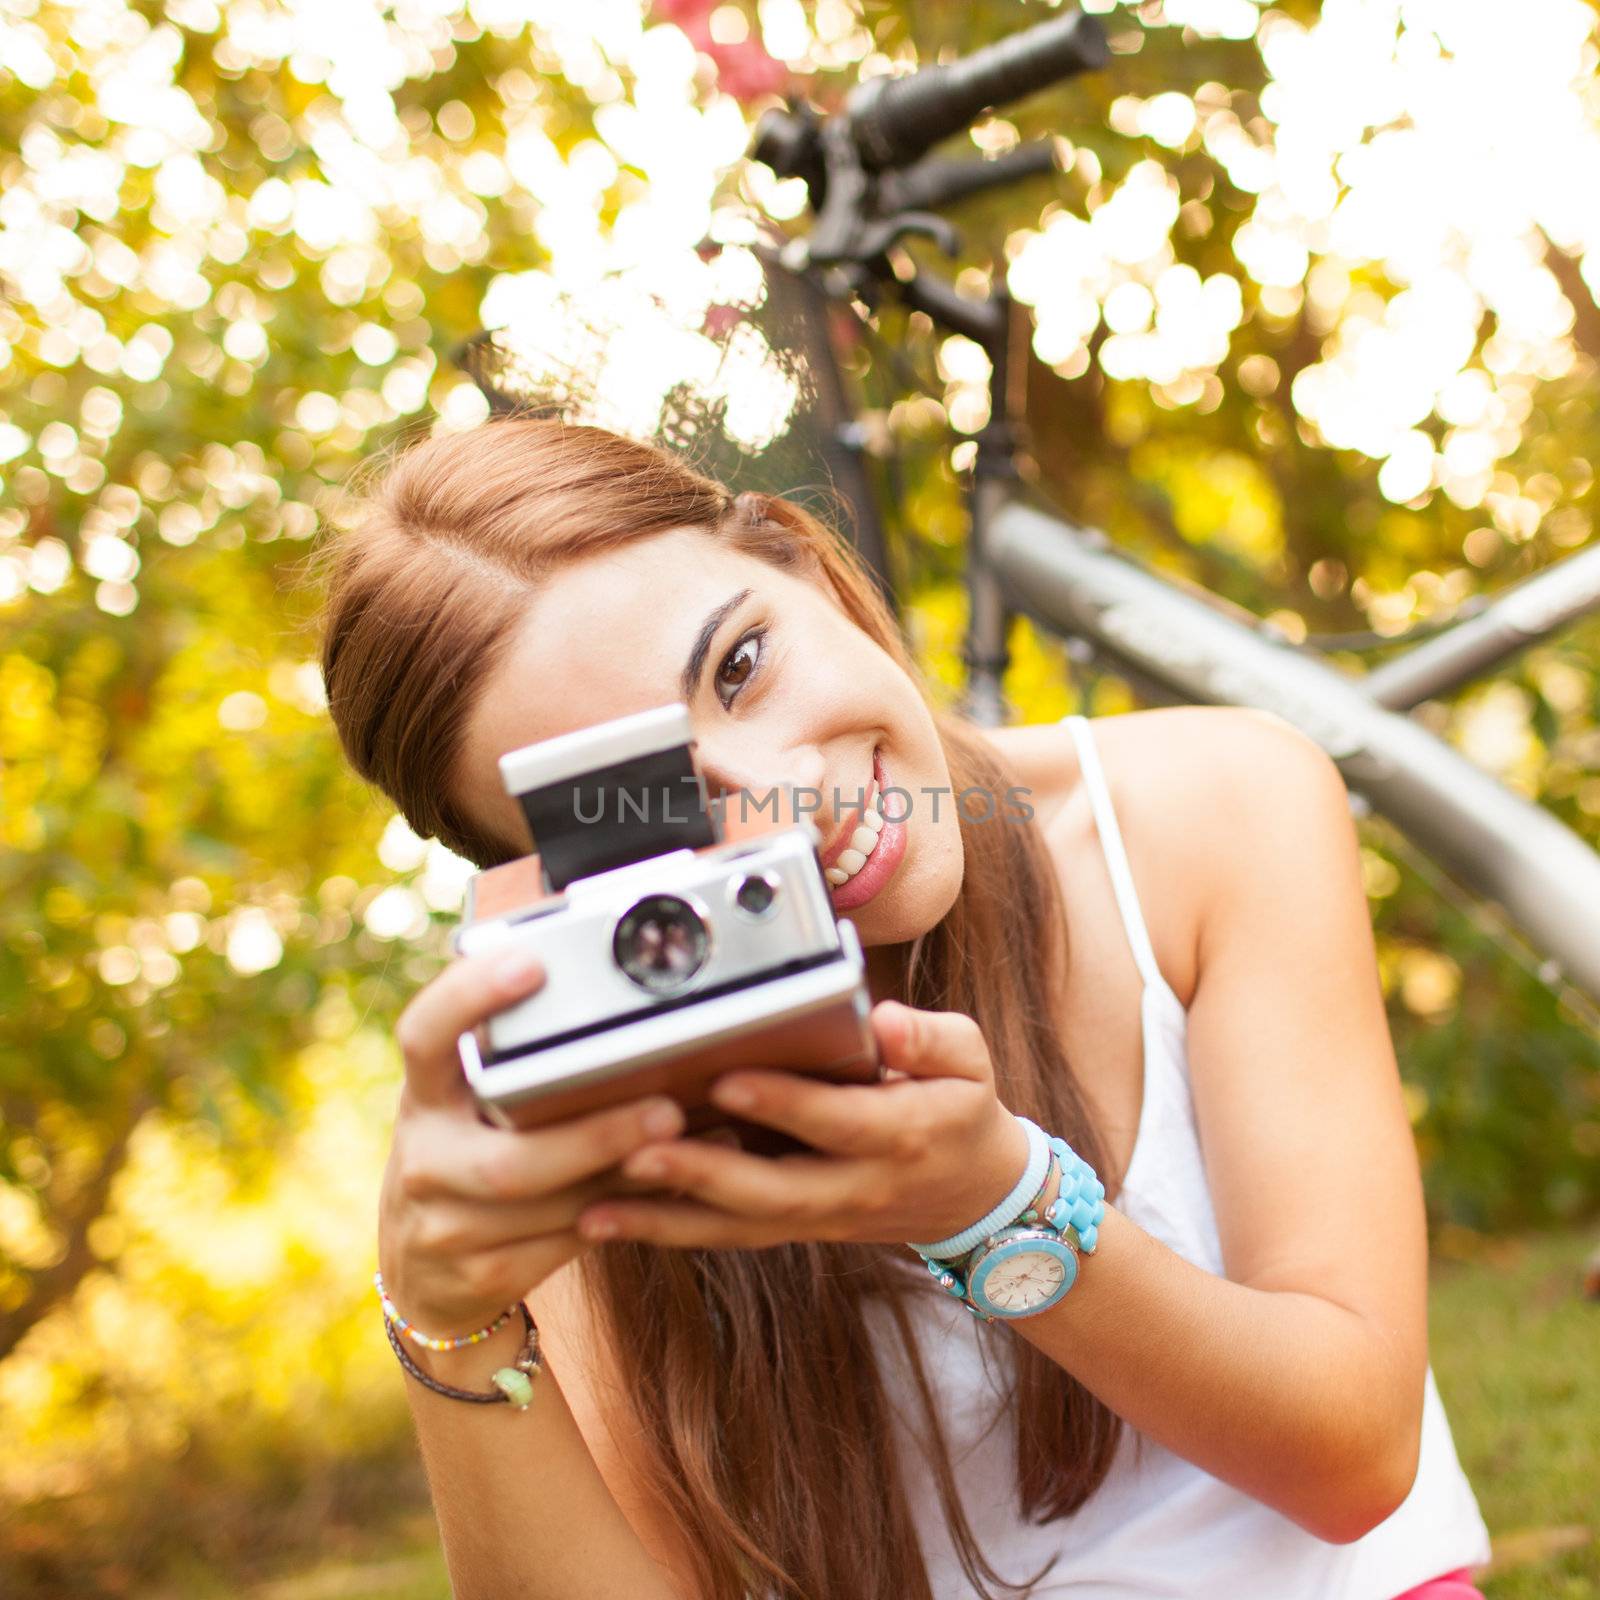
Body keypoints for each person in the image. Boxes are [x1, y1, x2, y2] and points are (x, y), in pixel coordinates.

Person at [318, 415, 1492, 1600]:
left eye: (739, 667)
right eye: (638, 806)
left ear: (803, 563)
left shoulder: (1207, 804)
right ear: (544, 892)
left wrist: (991, 1202)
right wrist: (447, 1320)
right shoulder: (582, 1081)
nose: (785, 803)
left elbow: (1354, 1456)